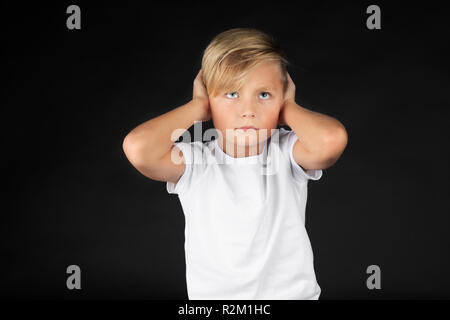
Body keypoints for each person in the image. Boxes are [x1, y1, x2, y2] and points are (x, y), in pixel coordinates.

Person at [122, 28, 348, 299]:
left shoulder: (287, 151)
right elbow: (138, 148)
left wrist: (287, 108)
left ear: (282, 97)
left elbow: (331, 140)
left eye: (264, 95)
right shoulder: (197, 162)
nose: (248, 110)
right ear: (208, 98)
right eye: (231, 94)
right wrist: (197, 107)